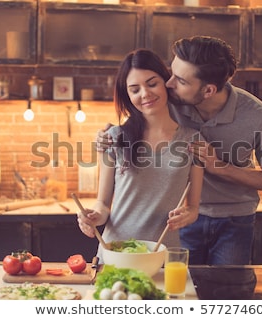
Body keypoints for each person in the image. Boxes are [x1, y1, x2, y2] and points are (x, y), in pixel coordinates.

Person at [96, 36, 262, 265]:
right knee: (185, 289)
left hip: (233, 218)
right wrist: (111, 135)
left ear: (207, 91)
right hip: (179, 221)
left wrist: (220, 168)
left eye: (179, 80)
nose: (169, 83)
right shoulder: (172, 99)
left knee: (227, 289)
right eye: (171, 73)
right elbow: (142, 106)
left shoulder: (257, 117)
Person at [77, 49, 204, 261]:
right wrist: (93, 216)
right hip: (116, 252)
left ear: (166, 83)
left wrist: (188, 215)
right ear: (127, 95)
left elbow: (193, 208)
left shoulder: (193, 140)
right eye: (135, 89)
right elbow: (103, 204)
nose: (145, 94)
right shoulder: (114, 137)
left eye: (152, 83)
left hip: (164, 256)